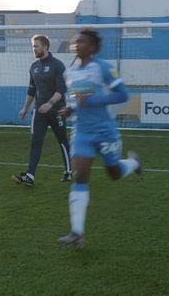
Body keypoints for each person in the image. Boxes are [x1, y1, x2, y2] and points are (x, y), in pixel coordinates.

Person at [57, 29, 142, 248]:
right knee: (80, 175)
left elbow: (123, 95)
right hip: (82, 131)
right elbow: (78, 101)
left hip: (105, 131)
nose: (77, 44)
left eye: (82, 41)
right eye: (76, 41)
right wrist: (70, 110)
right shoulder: (70, 73)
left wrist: (94, 101)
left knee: (113, 174)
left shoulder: (103, 68)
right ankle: (77, 232)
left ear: (93, 47)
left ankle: (133, 163)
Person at [12, 35, 72, 187]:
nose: (34, 49)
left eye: (36, 46)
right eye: (33, 46)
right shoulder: (34, 67)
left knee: (62, 141)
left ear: (45, 47)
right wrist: (25, 108)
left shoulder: (58, 65)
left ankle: (69, 171)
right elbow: (32, 90)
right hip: (39, 112)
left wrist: (50, 103)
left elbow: (61, 90)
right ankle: (30, 176)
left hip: (56, 110)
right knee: (35, 142)